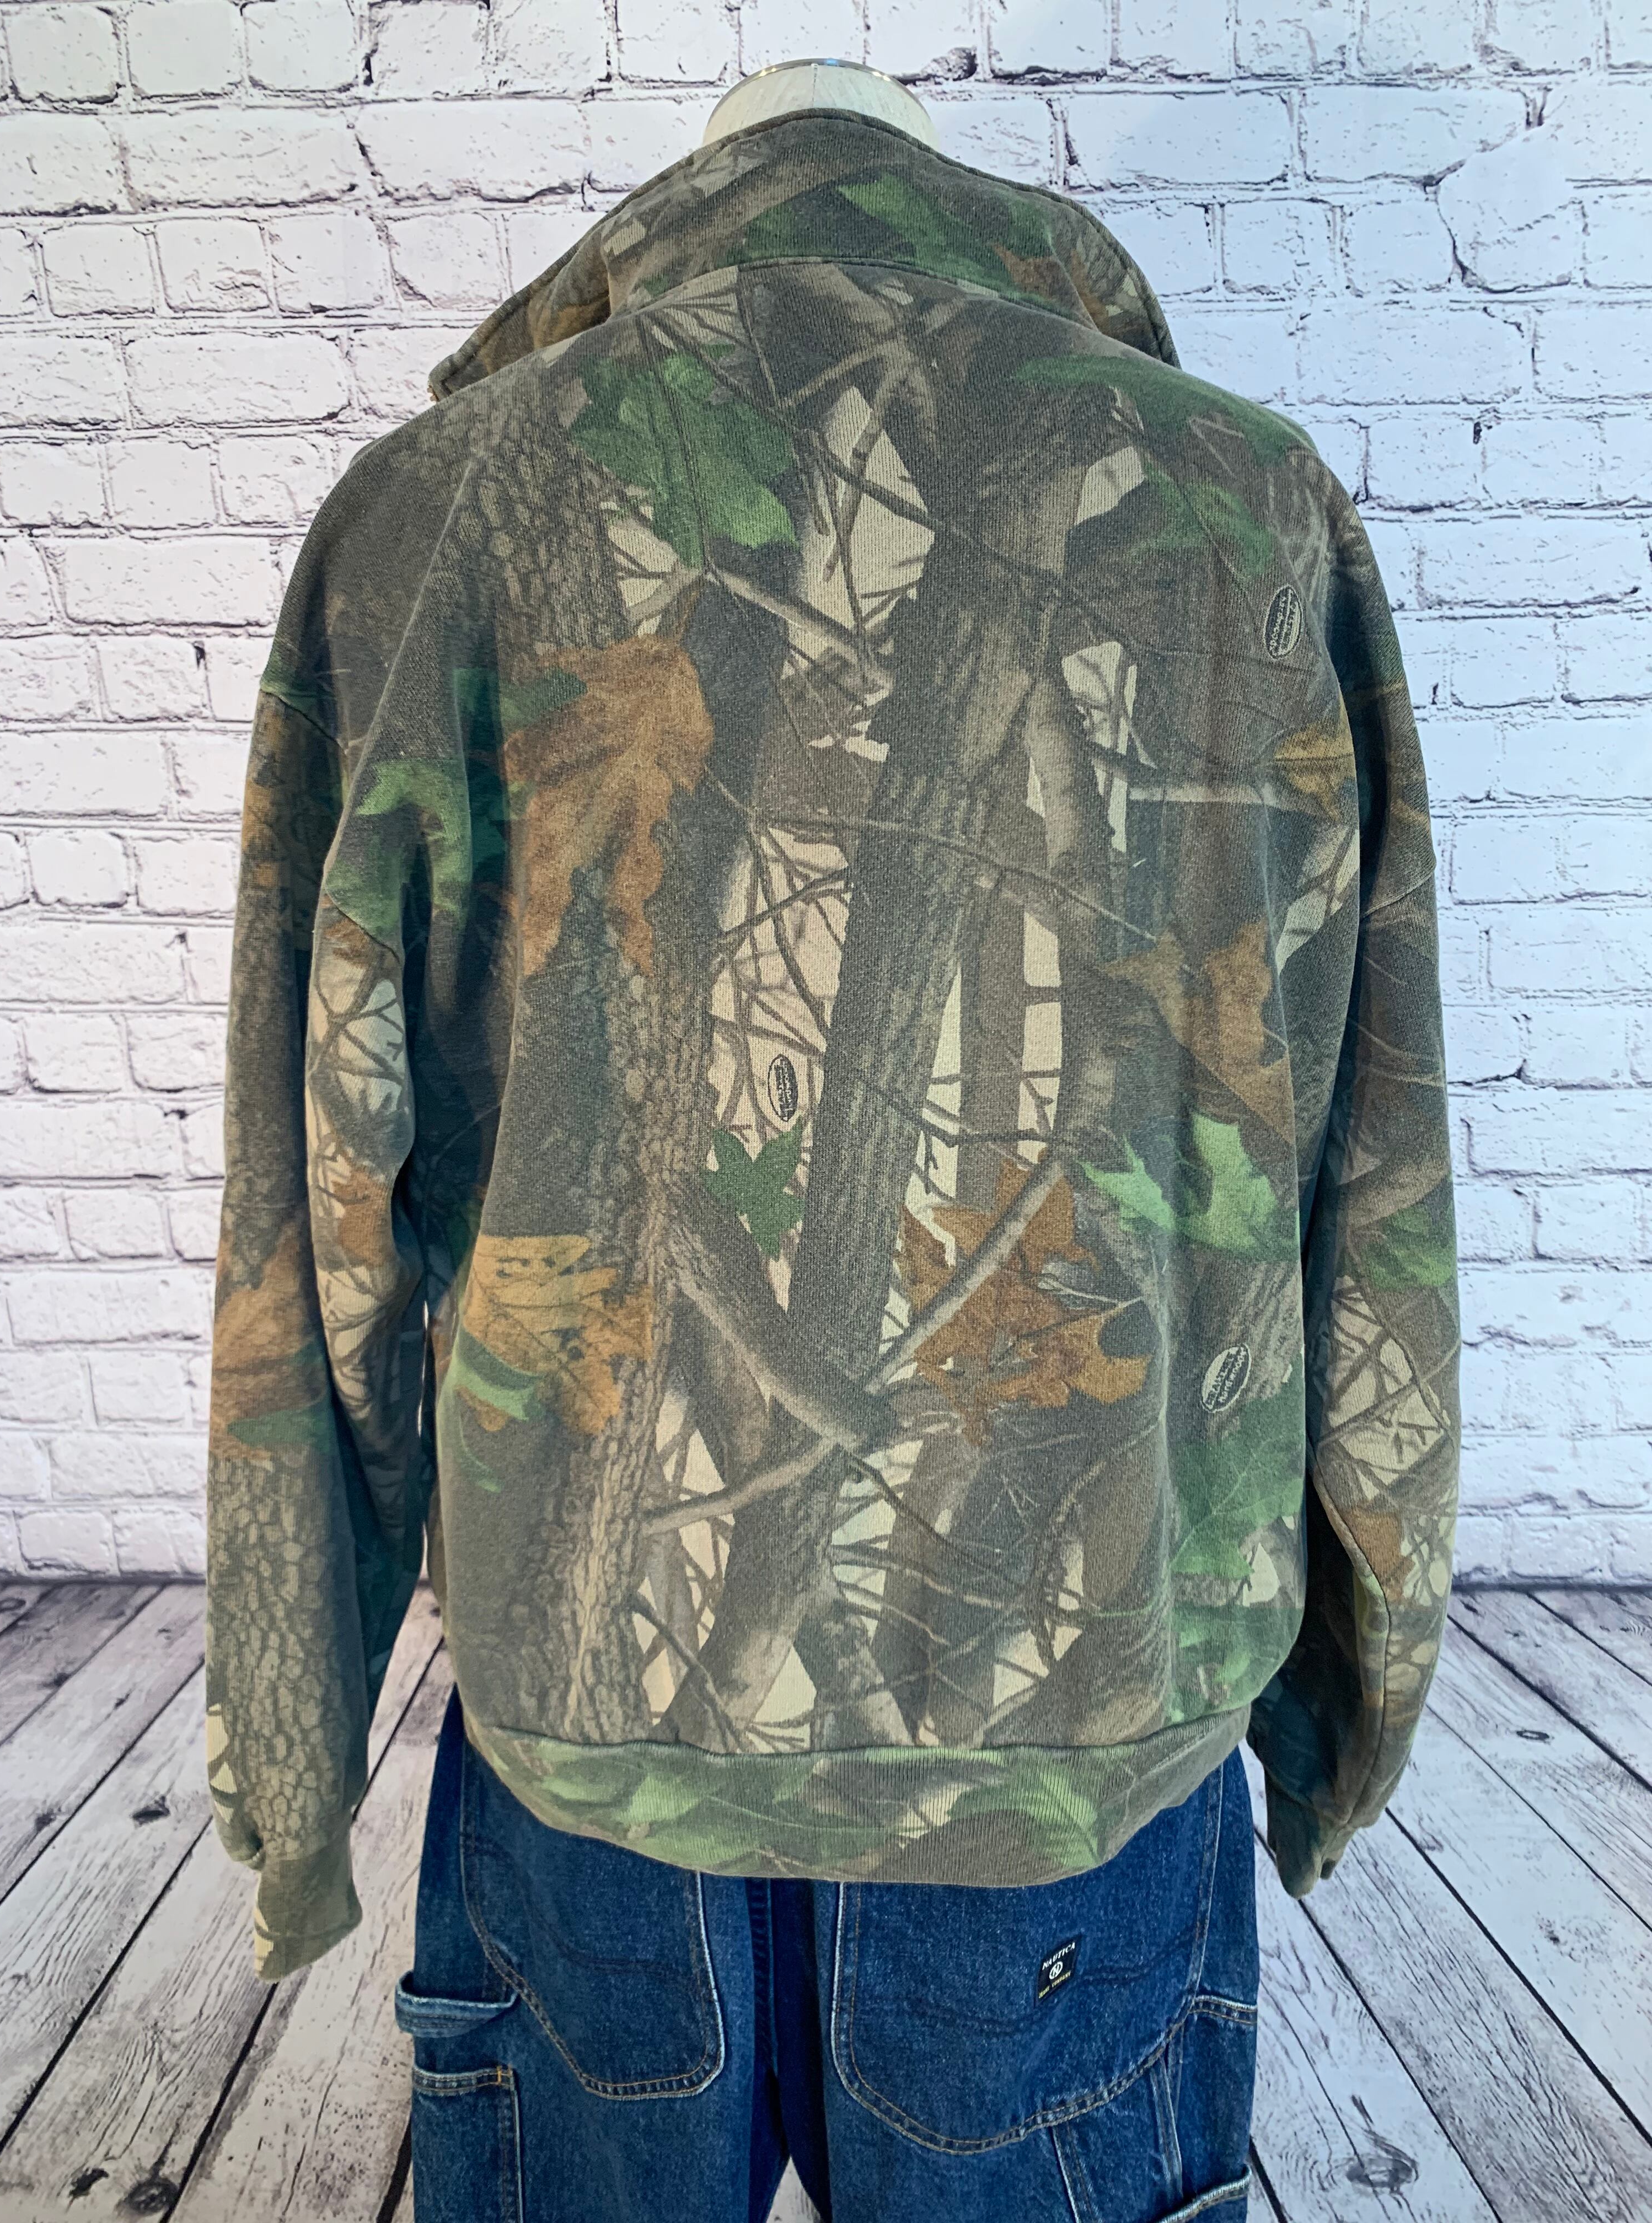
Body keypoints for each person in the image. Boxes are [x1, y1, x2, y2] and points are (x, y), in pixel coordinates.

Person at [201, 55, 1461, 2223]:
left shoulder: (433, 515)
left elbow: (307, 1207)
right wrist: (1354, 1693)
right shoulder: (1245, 507)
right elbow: (1371, 1168)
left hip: (596, 1724)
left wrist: (292, 1769)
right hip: (1067, 1733)